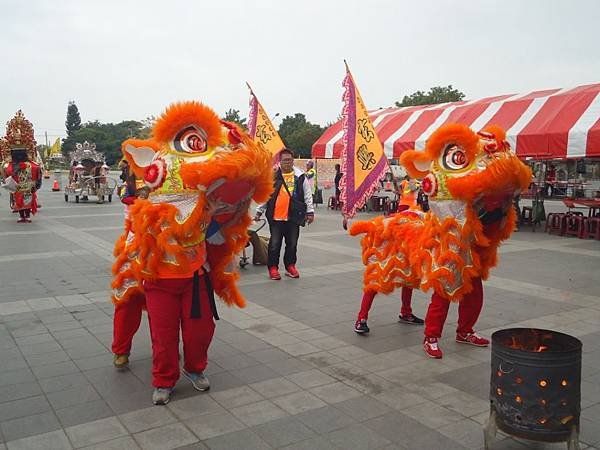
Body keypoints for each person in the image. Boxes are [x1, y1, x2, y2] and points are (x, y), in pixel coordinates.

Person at [111, 101, 272, 405]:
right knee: (163, 334)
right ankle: (163, 379)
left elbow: (218, 230)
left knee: (200, 330)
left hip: (196, 278)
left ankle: (195, 368)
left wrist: (223, 214)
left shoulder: (204, 207)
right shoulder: (142, 214)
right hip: (158, 281)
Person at [255, 148, 315, 280]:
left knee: (292, 244)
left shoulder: (300, 177)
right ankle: (273, 268)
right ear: (280, 162)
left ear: (293, 161)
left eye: (289, 160)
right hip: (276, 218)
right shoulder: (274, 177)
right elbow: (267, 195)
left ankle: (290, 266)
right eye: (284, 160)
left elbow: (307, 195)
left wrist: (310, 212)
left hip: (293, 218)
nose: (287, 163)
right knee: (275, 244)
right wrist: (259, 211)